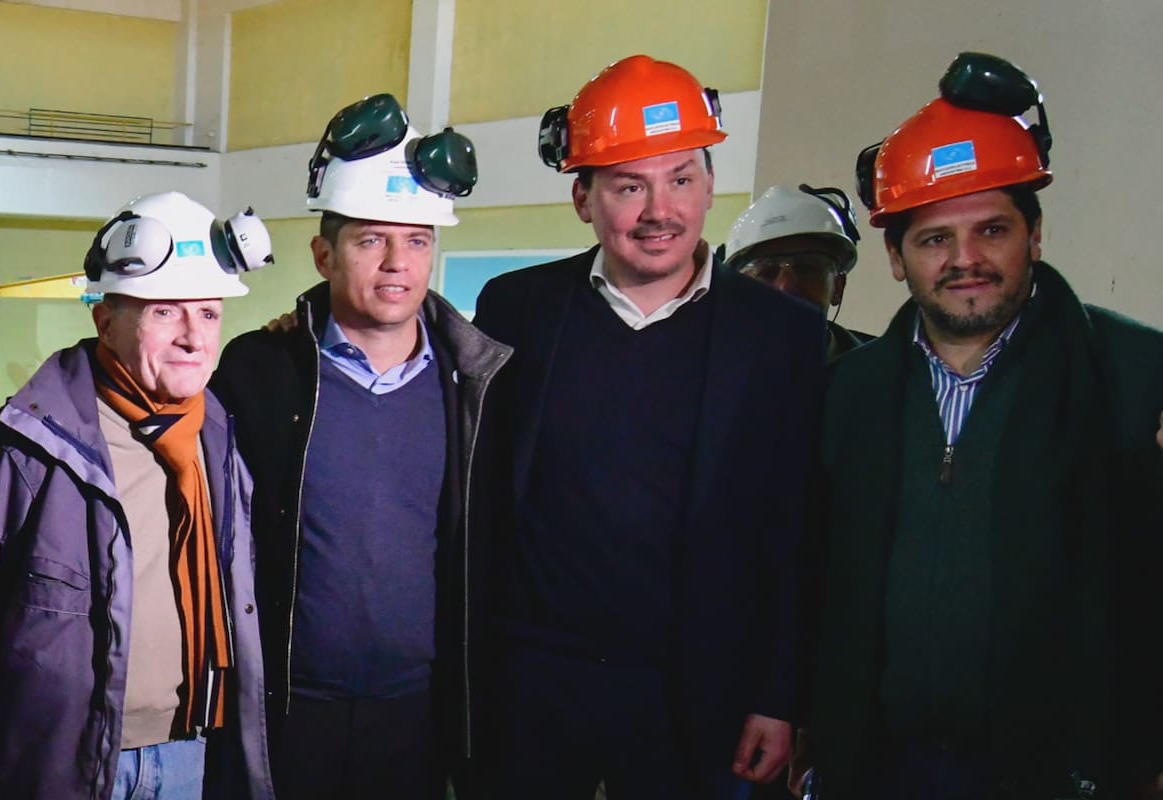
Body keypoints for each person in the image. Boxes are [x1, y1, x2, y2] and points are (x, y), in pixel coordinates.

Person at [471, 54, 825, 800]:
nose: (659, 210)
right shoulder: (517, 311)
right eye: (630, 186)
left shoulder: (781, 336)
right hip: (534, 685)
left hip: (698, 694)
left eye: (682, 180)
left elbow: (797, 530)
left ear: (709, 185)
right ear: (583, 198)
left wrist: (779, 696)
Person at [811, 52, 1163, 799]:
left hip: (1061, 773)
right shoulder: (846, 394)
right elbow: (818, 579)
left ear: (1034, 237)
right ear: (896, 259)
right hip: (879, 767)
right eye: (935, 238)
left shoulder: (1133, 375)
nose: (965, 260)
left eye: (992, 229)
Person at [210, 94, 511, 799]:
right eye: (371, 240)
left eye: (417, 241)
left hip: (416, 713)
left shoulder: (478, 386)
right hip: (287, 710)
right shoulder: (258, 372)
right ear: (324, 254)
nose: (397, 263)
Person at [0, 191, 275, 799]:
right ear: (105, 320)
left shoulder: (218, 434)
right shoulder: (33, 443)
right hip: (62, 763)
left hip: (188, 752)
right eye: (165, 312)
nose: (193, 337)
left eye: (208, 314)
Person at [725, 184, 871, 360]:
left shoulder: (887, 372)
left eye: (807, 268)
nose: (786, 286)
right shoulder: (703, 373)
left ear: (838, 286)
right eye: (766, 272)